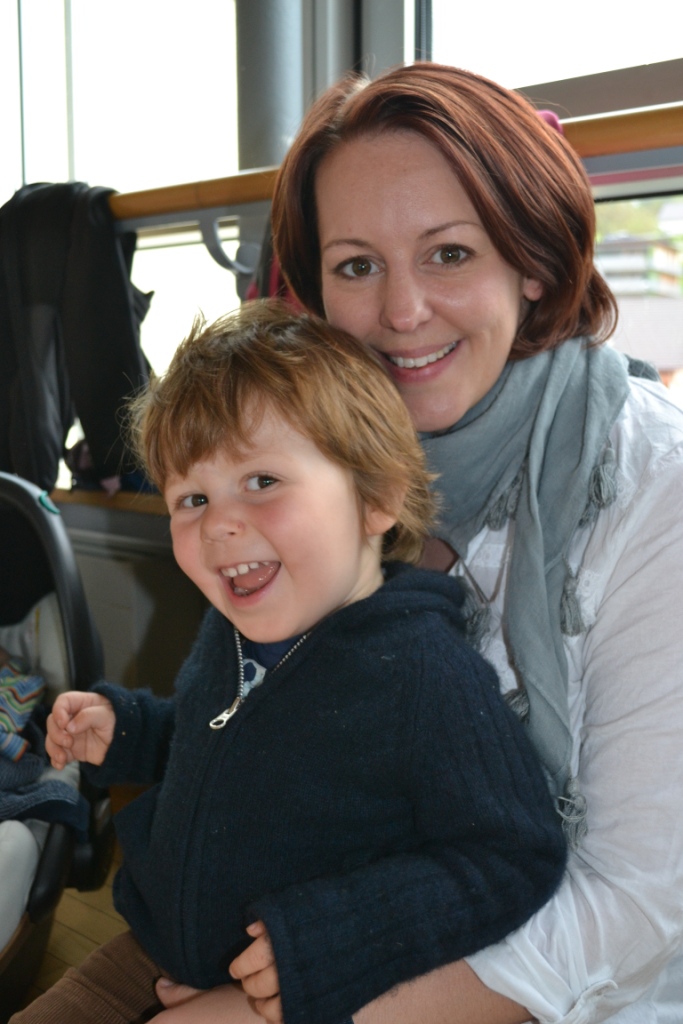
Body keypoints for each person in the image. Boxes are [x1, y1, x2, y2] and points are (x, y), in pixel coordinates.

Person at [152, 63, 683, 1024]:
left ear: (531, 263)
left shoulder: (656, 486)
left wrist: (261, 1010)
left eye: (447, 253)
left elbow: (634, 902)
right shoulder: (301, 470)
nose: (401, 314)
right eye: (357, 266)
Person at [11, 302, 566, 1024]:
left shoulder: (425, 675)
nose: (218, 523)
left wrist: (339, 940)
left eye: (262, 482)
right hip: (150, 949)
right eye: (192, 497)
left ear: (376, 497)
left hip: (302, 989)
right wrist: (132, 731)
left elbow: (513, 855)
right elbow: (216, 735)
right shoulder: (230, 629)